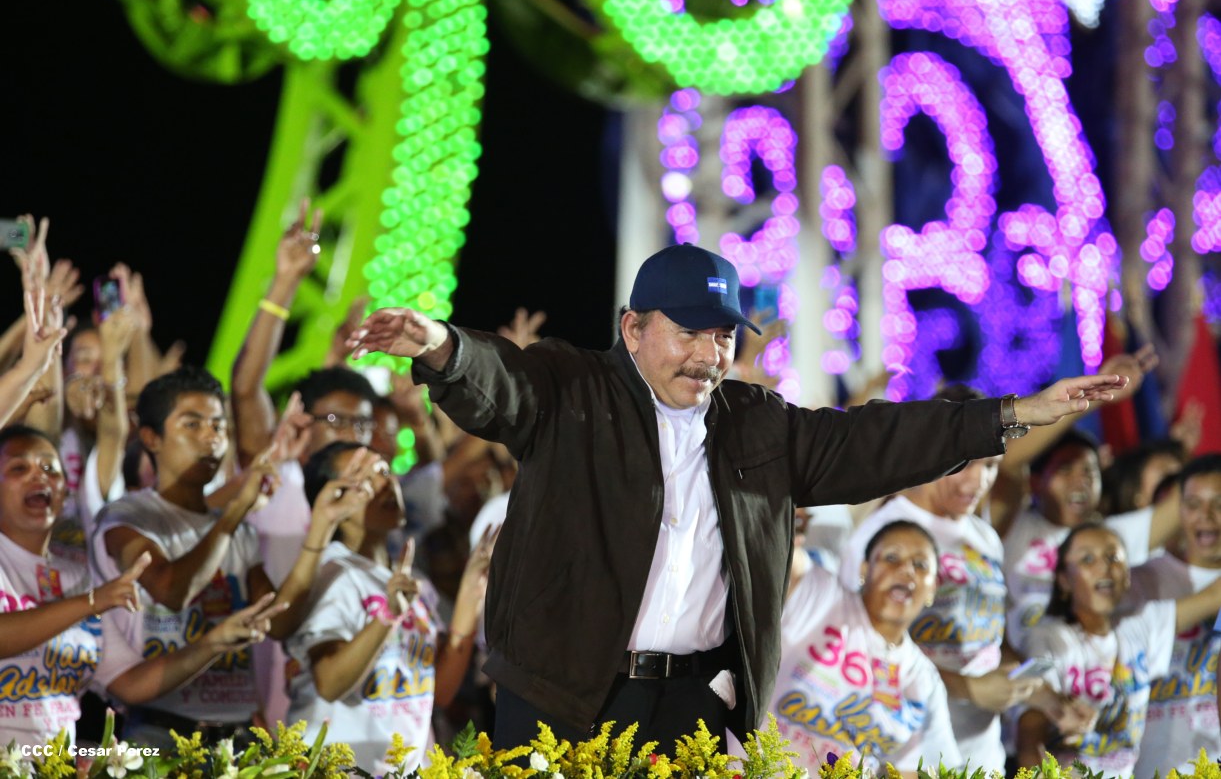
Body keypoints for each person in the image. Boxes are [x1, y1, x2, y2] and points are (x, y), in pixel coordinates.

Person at [347, 244, 1131, 749]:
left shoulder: (757, 423)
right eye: (687, 332)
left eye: (721, 335)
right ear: (632, 329)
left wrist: (1012, 414)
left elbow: (873, 441)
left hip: (694, 705)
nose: (708, 354)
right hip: (566, 700)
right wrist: (437, 345)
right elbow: (499, 382)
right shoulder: (572, 389)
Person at [0, 424, 281, 747]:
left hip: (53, 762)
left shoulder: (78, 577)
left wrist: (215, 642)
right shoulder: (88, 594)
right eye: (19, 468)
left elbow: (130, 683)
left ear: (65, 491)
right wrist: (91, 603)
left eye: (51, 468)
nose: (39, 476)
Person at [838, 387, 1030, 773]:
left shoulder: (984, 536)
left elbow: (990, 636)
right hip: (907, 757)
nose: (977, 481)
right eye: (966, 463)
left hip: (983, 756)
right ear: (932, 449)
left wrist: (1027, 683)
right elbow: (859, 651)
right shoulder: (885, 536)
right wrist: (966, 687)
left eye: (990, 466)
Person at [284, 442, 494, 772]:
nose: (384, 484)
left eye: (383, 470)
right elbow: (329, 683)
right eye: (363, 479)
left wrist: (471, 594)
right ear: (333, 500)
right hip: (340, 770)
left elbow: (437, 693)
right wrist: (387, 616)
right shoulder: (332, 574)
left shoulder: (412, 580)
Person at [1016, 523, 1221, 776]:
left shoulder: (1141, 626)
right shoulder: (1049, 639)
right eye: (1088, 559)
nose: (1104, 567)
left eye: (1113, 558)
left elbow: (1214, 596)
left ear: (1127, 576)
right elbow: (1029, 732)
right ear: (1064, 580)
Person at [761, 521, 960, 775]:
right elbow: (769, 541)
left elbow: (910, 772)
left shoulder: (924, 680)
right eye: (892, 558)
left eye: (920, 565)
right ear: (865, 569)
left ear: (933, 588)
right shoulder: (820, 595)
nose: (906, 570)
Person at [1003, 429, 1182, 652]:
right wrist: (1078, 407)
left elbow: (1183, 506)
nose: (1081, 481)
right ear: (1035, 481)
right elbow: (1008, 463)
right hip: (1013, 665)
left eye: (1090, 472)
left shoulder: (1111, 539)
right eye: (1065, 469)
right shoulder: (1012, 526)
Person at [1126, 454, 1221, 778]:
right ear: (1178, 511)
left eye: (1218, 504)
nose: (1206, 516)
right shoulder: (1140, 581)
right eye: (1193, 504)